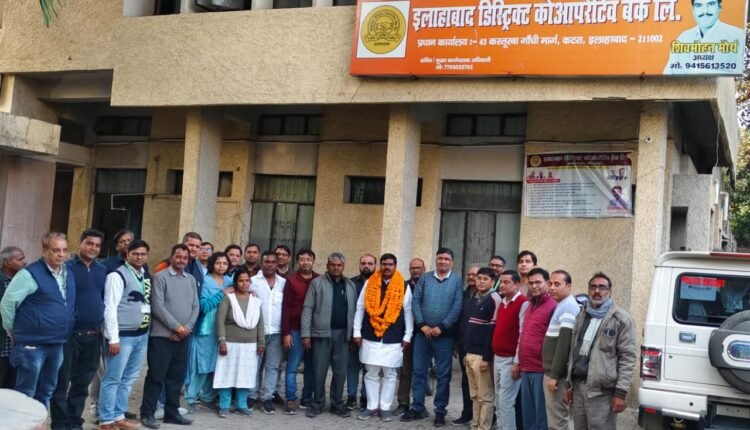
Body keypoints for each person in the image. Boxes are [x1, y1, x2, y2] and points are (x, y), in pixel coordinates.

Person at [0, 232, 75, 407]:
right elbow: (7, 304)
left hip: (56, 343)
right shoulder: (29, 274)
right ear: (44, 251)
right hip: (32, 345)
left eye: (64, 250)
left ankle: (40, 421)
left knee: (47, 390)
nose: (61, 255)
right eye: (56, 250)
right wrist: (12, 330)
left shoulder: (67, 273)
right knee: (25, 393)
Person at [51, 229, 108, 430]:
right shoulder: (66, 267)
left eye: (97, 245)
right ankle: (60, 423)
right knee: (61, 381)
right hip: (69, 335)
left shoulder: (102, 270)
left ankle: (75, 422)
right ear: (81, 243)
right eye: (89, 243)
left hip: (93, 335)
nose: (93, 248)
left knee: (82, 383)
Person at [566, 273, 636, 430]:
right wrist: (569, 385)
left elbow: (628, 357)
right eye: (593, 287)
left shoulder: (621, 319)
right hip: (578, 387)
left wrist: (620, 393)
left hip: (602, 393)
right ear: (588, 290)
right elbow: (573, 351)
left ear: (609, 291)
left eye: (602, 287)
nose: (597, 291)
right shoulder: (582, 316)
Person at [402, 248, 463, 427]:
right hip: (423, 335)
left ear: (452, 262)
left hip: (444, 337)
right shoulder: (425, 279)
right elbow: (415, 302)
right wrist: (422, 325)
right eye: (440, 258)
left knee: (443, 375)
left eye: (447, 259)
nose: (443, 261)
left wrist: (442, 327)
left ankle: (440, 411)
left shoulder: (457, 280)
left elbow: (457, 306)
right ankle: (417, 407)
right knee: (419, 372)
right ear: (435, 260)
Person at [140, 244, 199, 429]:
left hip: (183, 337)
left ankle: (171, 413)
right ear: (171, 257)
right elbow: (158, 307)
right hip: (162, 336)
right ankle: (147, 413)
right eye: (178, 256)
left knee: (176, 377)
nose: (181, 260)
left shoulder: (190, 279)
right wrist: (178, 328)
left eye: (185, 258)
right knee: (156, 377)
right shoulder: (161, 277)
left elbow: (196, 306)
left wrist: (186, 328)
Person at [98, 240, 152, 430]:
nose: (139, 257)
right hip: (123, 336)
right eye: (135, 253)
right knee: (113, 379)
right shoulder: (117, 275)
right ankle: (106, 420)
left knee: (129, 379)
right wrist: (113, 338)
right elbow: (110, 308)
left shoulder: (144, 274)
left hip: (141, 335)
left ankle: (118, 415)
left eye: (143, 254)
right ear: (127, 254)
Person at [353, 253, 413, 422]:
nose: (387, 267)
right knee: (370, 373)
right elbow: (360, 307)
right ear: (380, 265)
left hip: (394, 336)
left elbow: (408, 312)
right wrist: (356, 332)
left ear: (395, 266)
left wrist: (408, 335)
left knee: (390, 374)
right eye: (384, 264)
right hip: (370, 334)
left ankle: (385, 407)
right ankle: (371, 406)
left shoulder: (403, 285)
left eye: (390, 264)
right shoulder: (370, 283)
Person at [301, 253, 357, 419]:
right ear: (327, 265)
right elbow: (308, 308)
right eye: (332, 264)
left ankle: (337, 404)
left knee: (340, 372)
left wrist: (354, 334)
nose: (335, 268)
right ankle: (317, 403)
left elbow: (355, 311)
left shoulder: (350, 285)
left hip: (343, 335)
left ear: (343, 266)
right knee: (319, 371)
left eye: (339, 265)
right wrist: (306, 334)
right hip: (321, 334)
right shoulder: (317, 283)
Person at [185, 252, 234, 412]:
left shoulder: (230, 281)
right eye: (218, 263)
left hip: (225, 329)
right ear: (212, 264)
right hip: (206, 329)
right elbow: (203, 306)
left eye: (225, 263)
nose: (221, 266)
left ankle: (208, 398)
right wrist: (221, 294)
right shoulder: (205, 281)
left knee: (217, 365)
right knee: (200, 365)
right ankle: (191, 398)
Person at [213, 268, 265, 418]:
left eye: (247, 280)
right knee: (226, 375)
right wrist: (222, 341)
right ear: (235, 282)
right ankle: (224, 406)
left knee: (245, 375)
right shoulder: (229, 298)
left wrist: (261, 343)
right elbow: (220, 321)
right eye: (241, 280)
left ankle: (241, 405)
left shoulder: (255, 300)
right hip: (230, 344)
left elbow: (260, 323)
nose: (244, 283)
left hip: (250, 345)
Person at [460, 268, 501, 430]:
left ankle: (484, 427)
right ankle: (475, 425)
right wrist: (466, 352)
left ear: (493, 281)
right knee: (475, 395)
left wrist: (486, 357)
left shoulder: (494, 299)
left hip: (482, 357)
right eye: (479, 278)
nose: (481, 281)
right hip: (470, 354)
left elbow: (492, 331)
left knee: (485, 396)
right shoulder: (475, 298)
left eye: (485, 279)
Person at [281, 248, 319, 414]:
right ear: (297, 262)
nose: (305, 262)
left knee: (311, 366)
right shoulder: (291, 280)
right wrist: (286, 332)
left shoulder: (319, 280)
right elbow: (285, 308)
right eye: (302, 259)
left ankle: (306, 398)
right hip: (295, 329)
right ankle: (290, 398)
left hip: (315, 330)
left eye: (308, 259)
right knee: (292, 366)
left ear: (313, 261)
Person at [518, 268, 556, 430]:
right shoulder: (529, 306)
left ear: (547, 283)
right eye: (531, 283)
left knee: (541, 417)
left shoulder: (553, 306)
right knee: (528, 416)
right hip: (526, 368)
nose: (534, 286)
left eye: (538, 282)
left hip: (541, 369)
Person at [248, 251, 286, 414]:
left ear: (277, 264)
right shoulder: (252, 281)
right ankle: (252, 395)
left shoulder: (283, 283)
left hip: (276, 331)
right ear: (262, 263)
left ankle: (268, 398)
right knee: (255, 366)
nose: (270, 265)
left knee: (273, 367)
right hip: (257, 331)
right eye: (267, 262)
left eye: (273, 262)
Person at [663, 0, 744, 74]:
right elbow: (668, 75)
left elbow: (741, 80)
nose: (705, 11)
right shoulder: (683, 38)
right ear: (693, 9)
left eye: (711, 4)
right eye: (699, 5)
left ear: (720, 6)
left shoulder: (739, 36)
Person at [542, 270, 580, 430]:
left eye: (557, 284)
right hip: (553, 372)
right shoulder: (562, 305)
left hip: (557, 375)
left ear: (569, 286)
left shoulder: (568, 307)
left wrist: (555, 375)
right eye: (550, 283)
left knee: (557, 420)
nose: (552, 287)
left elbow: (564, 344)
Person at [492, 270, 529, 430]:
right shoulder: (503, 302)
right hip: (497, 357)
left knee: (506, 402)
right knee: (498, 400)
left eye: (507, 282)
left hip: (510, 360)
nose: (502, 285)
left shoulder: (523, 303)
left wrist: (517, 362)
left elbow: (522, 333)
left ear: (517, 284)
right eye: (501, 282)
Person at [394, 257, 425, 416]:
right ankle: (403, 402)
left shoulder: (429, 286)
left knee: (421, 370)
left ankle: (420, 404)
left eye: (418, 268)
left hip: (424, 333)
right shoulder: (402, 286)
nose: (415, 270)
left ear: (424, 269)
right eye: (413, 268)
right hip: (406, 334)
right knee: (405, 370)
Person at [347, 253, 376, 411]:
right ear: (359, 265)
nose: (366, 266)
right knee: (352, 365)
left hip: (372, 332)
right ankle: (351, 396)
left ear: (375, 266)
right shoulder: (351, 283)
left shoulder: (379, 283)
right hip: (354, 332)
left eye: (370, 263)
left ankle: (365, 397)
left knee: (368, 368)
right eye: (363, 263)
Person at [452, 264, 479, 426]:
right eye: (469, 275)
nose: (471, 277)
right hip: (463, 344)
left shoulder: (486, 296)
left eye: (474, 275)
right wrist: (455, 342)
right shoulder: (462, 295)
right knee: (465, 381)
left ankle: (482, 417)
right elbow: (457, 319)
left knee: (480, 383)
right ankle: (467, 413)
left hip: (479, 346)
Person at [0, 246, 25, 389]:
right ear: (7, 263)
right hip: (2, 344)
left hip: (16, 346)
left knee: (12, 389)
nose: (25, 262)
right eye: (20, 259)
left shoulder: (22, 282)